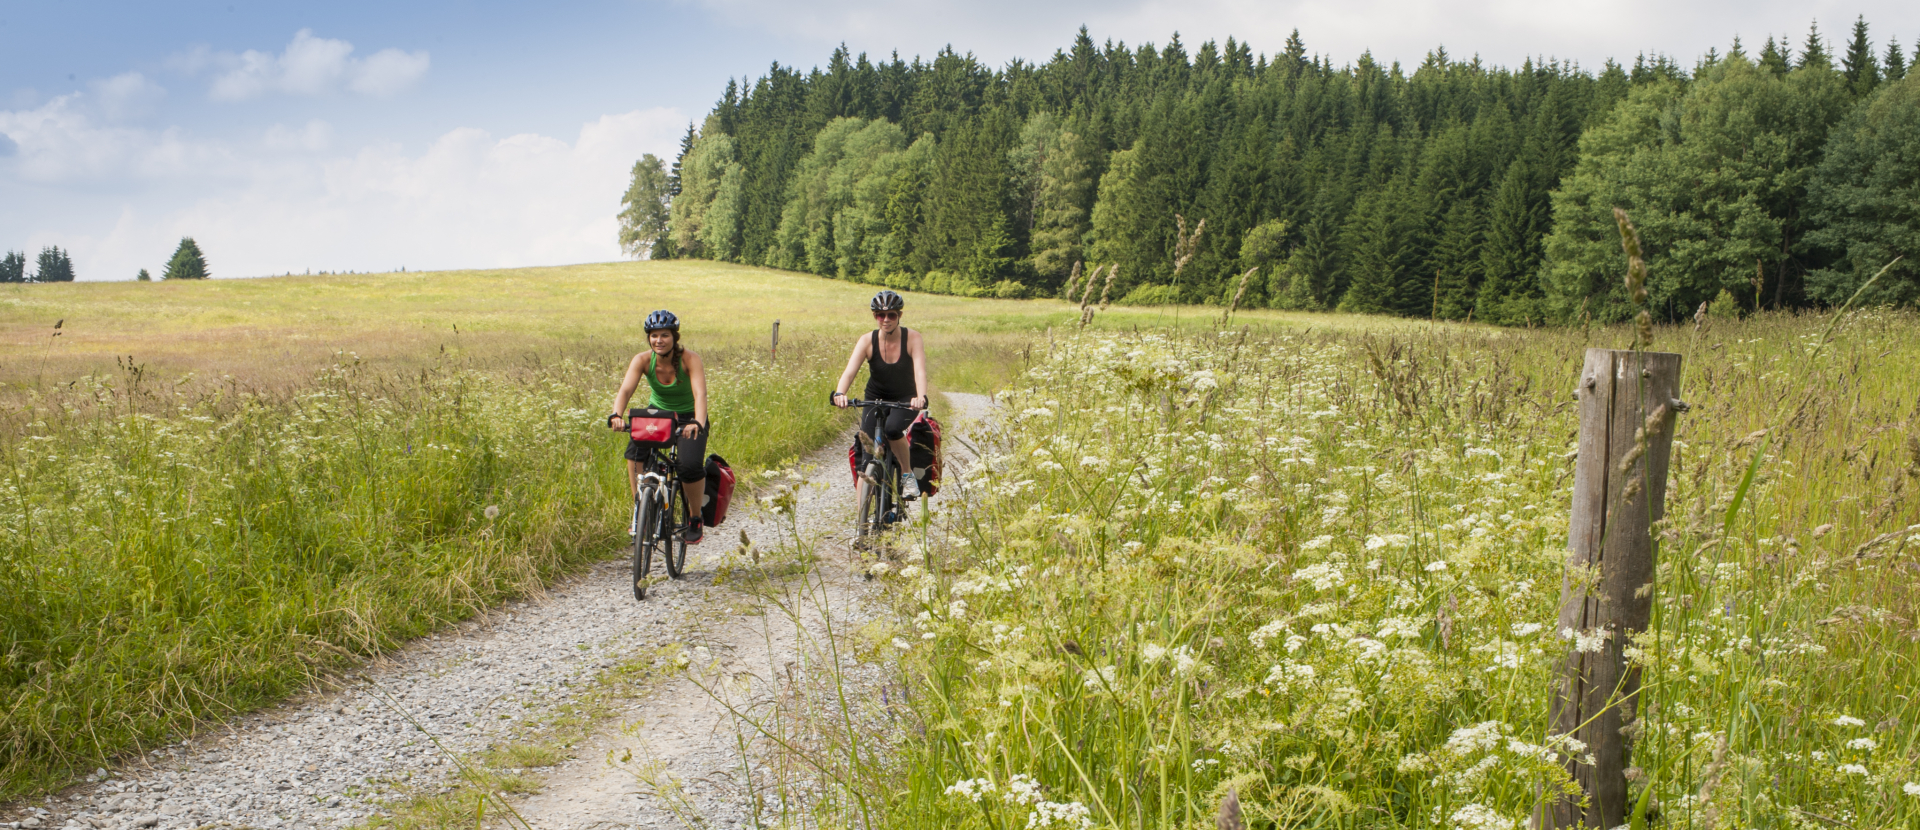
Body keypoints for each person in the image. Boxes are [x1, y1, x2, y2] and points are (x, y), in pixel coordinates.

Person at [608, 310, 710, 543]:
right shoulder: (642, 360)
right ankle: (640, 508)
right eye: (654, 335)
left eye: (665, 335)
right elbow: (625, 390)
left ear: (675, 337)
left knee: (689, 466)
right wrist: (616, 415)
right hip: (659, 415)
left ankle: (695, 517)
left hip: (689, 417)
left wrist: (698, 422)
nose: (659, 340)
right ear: (649, 338)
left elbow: (700, 394)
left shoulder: (690, 359)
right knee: (634, 453)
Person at [832, 290, 929, 499]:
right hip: (874, 397)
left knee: (892, 429)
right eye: (880, 315)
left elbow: (920, 371)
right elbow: (849, 372)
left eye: (891, 315)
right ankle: (861, 519)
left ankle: (907, 475)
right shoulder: (867, 340)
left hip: (906, 398)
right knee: (866, 460)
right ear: (875, 316)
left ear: (899, 315)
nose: (886, 319)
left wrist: (920, 397)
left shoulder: (913, 338)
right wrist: (840, 393)